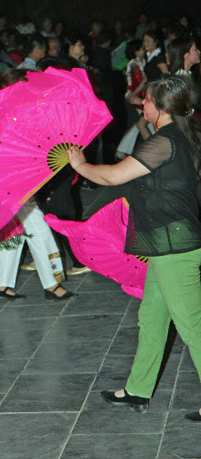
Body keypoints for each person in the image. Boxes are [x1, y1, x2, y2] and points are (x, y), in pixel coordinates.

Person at [67, 76, 201, 421]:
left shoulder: (165, 140)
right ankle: (138, 390)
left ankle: (140, 390)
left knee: (192, 326)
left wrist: (80, 165)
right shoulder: (175, 136)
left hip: (174, 245)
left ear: (159, 105)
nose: (142, 105)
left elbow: (112, 176)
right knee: (152, 317)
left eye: (146, 100)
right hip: (162, 241)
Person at [0, 68, 74, 301]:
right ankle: (52, 283)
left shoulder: (4, 111)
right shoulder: (7, 113)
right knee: (40, 230)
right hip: (12, 180)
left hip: (9, 179)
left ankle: (0, 284)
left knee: (12, 231)